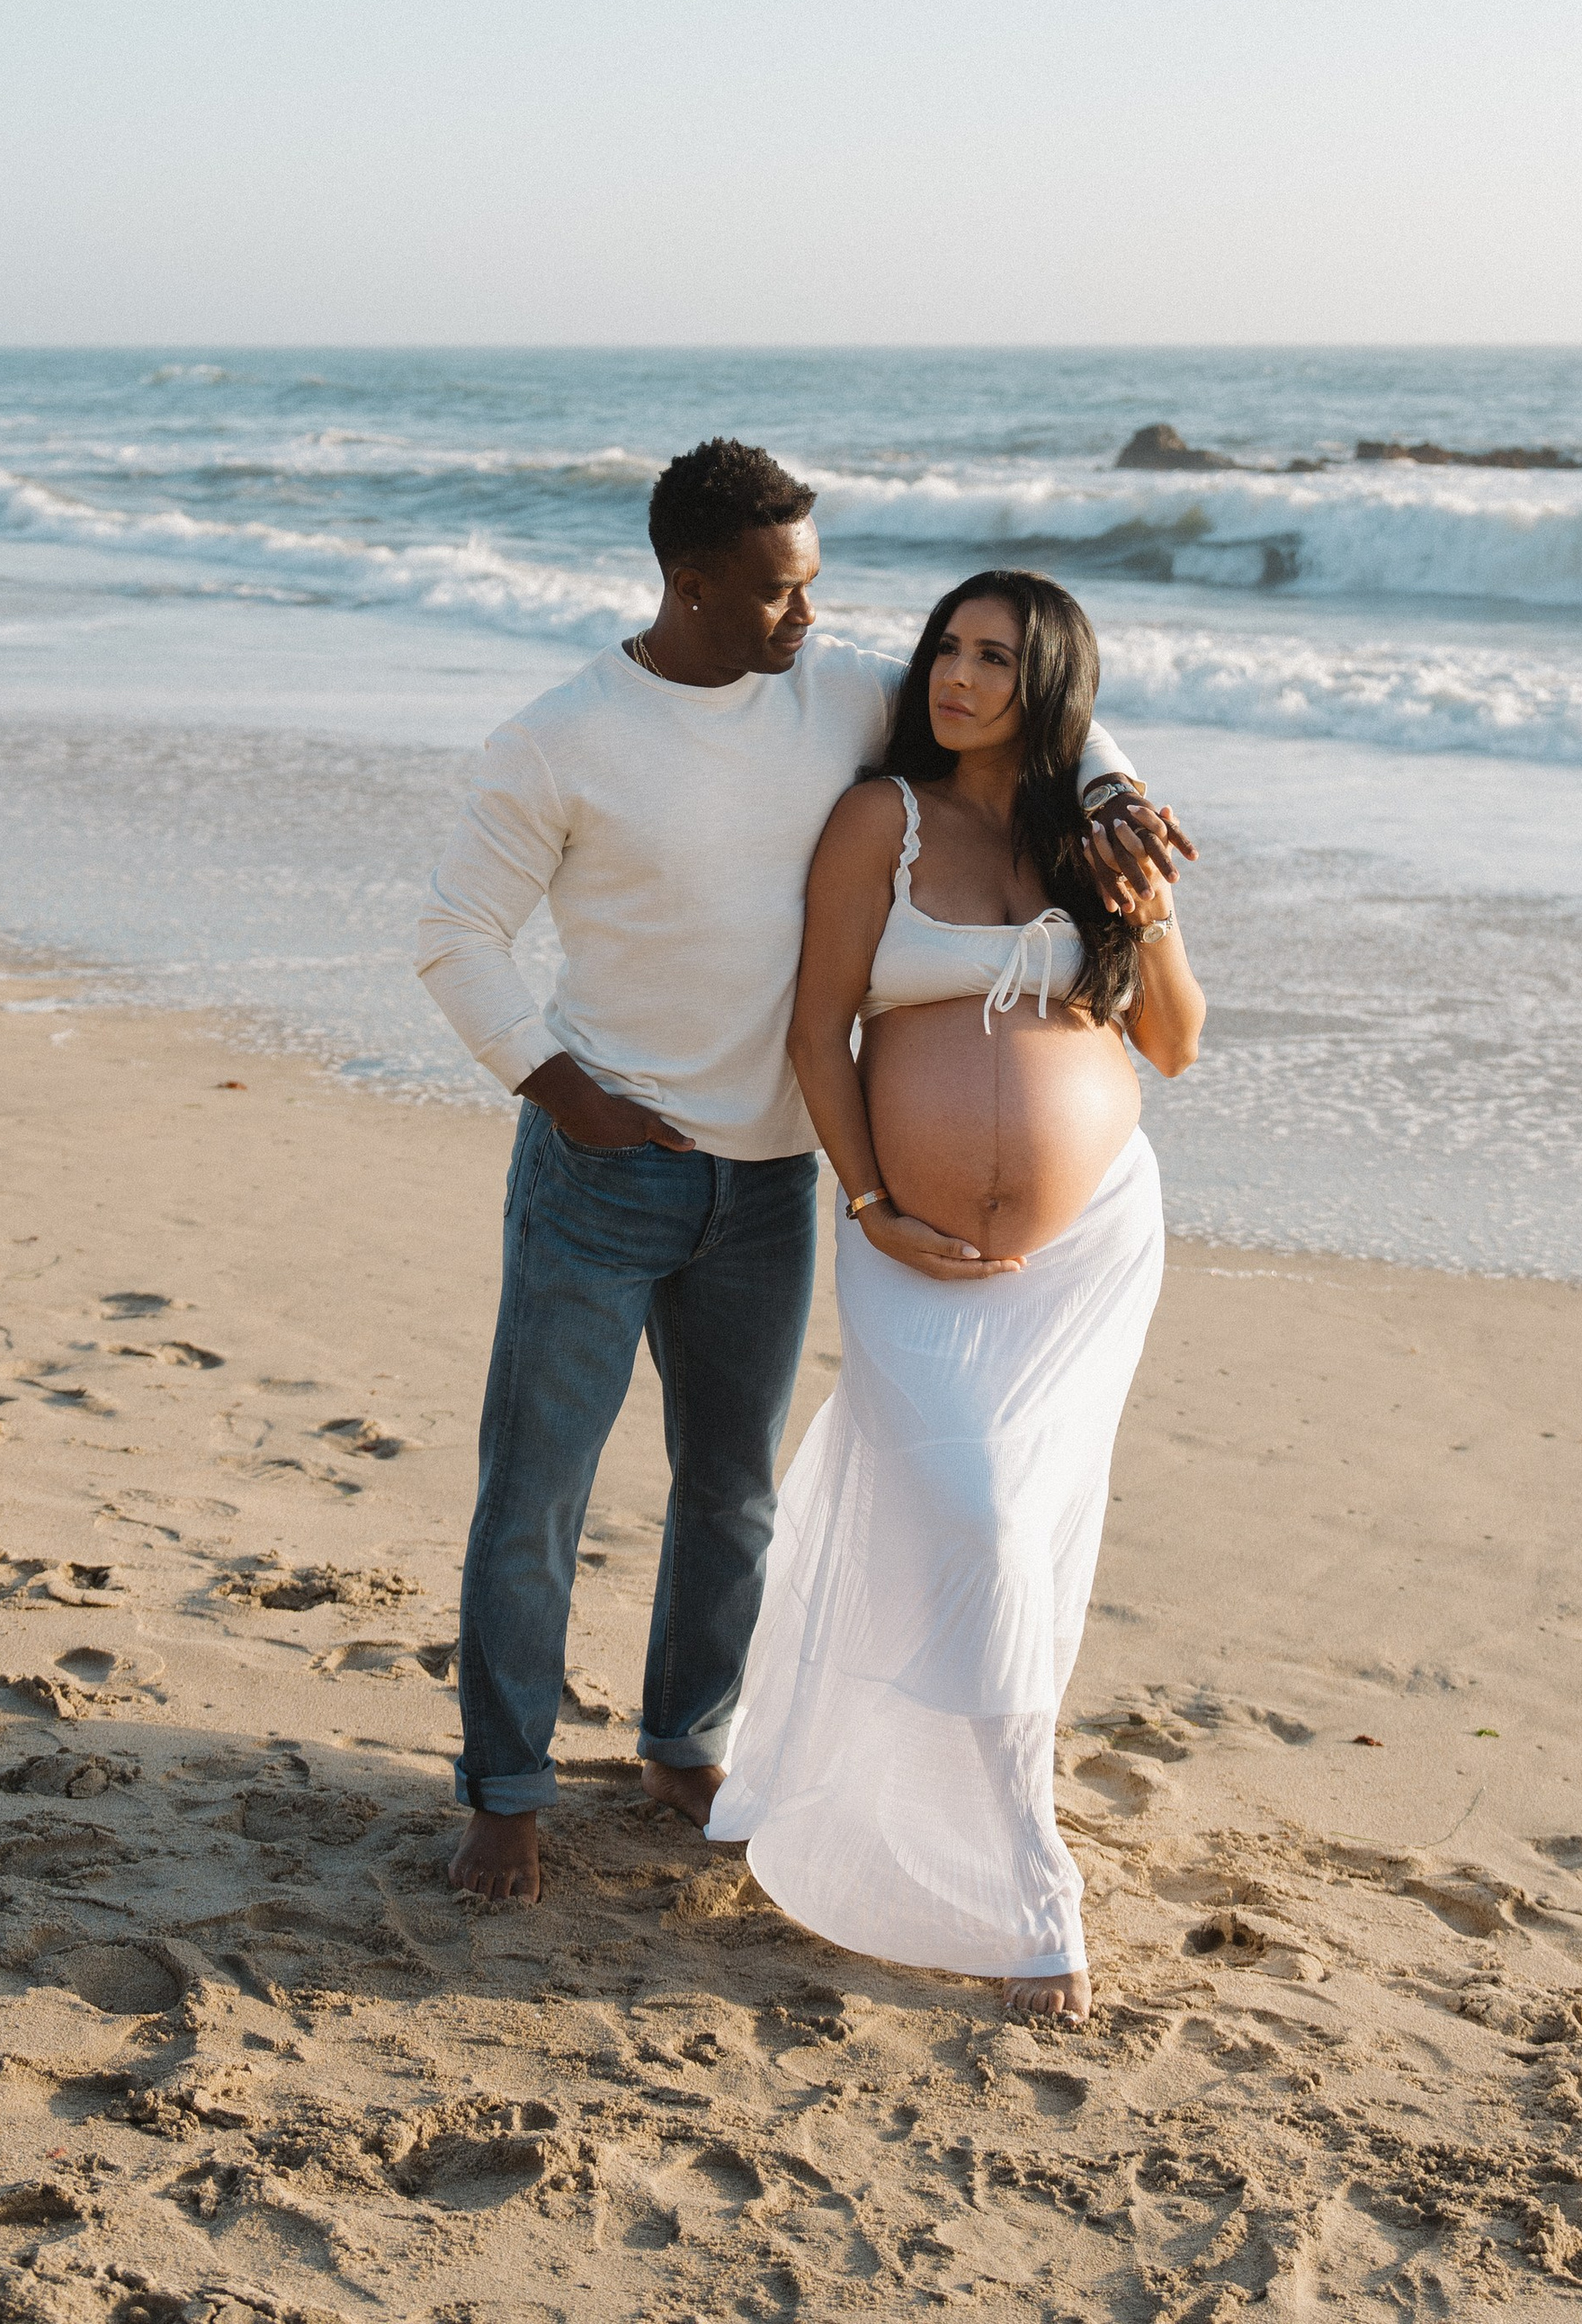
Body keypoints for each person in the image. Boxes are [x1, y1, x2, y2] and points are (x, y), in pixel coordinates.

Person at [415, 442, 1190, 1905]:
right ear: (689, 585)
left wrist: (1117, 790)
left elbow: (1029, 705)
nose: (811, 618)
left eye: (817, 586)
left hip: (769, 1180)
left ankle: (683, 1742)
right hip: (604, 1172)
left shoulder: (832, 700)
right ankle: (505, 1793)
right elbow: (457, 933)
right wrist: (563, 1088)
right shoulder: (561, 737)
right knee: (536, 1491)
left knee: (731, 1493)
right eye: (780, 593)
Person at [707, 568, 1205, 2024]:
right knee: (972, 1514)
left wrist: (1149, 909)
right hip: (907, 1244)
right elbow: (816, 1032)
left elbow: (1173, 1042)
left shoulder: (1088, 834)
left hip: (1088, 1252)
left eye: (994, 658)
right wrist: (867, 1201)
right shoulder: (882, 819)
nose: (958, 675)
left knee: (1026, 1523)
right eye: (947, 648)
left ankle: (1007, 1825)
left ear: (1048, 684)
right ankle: (1022, 1869)